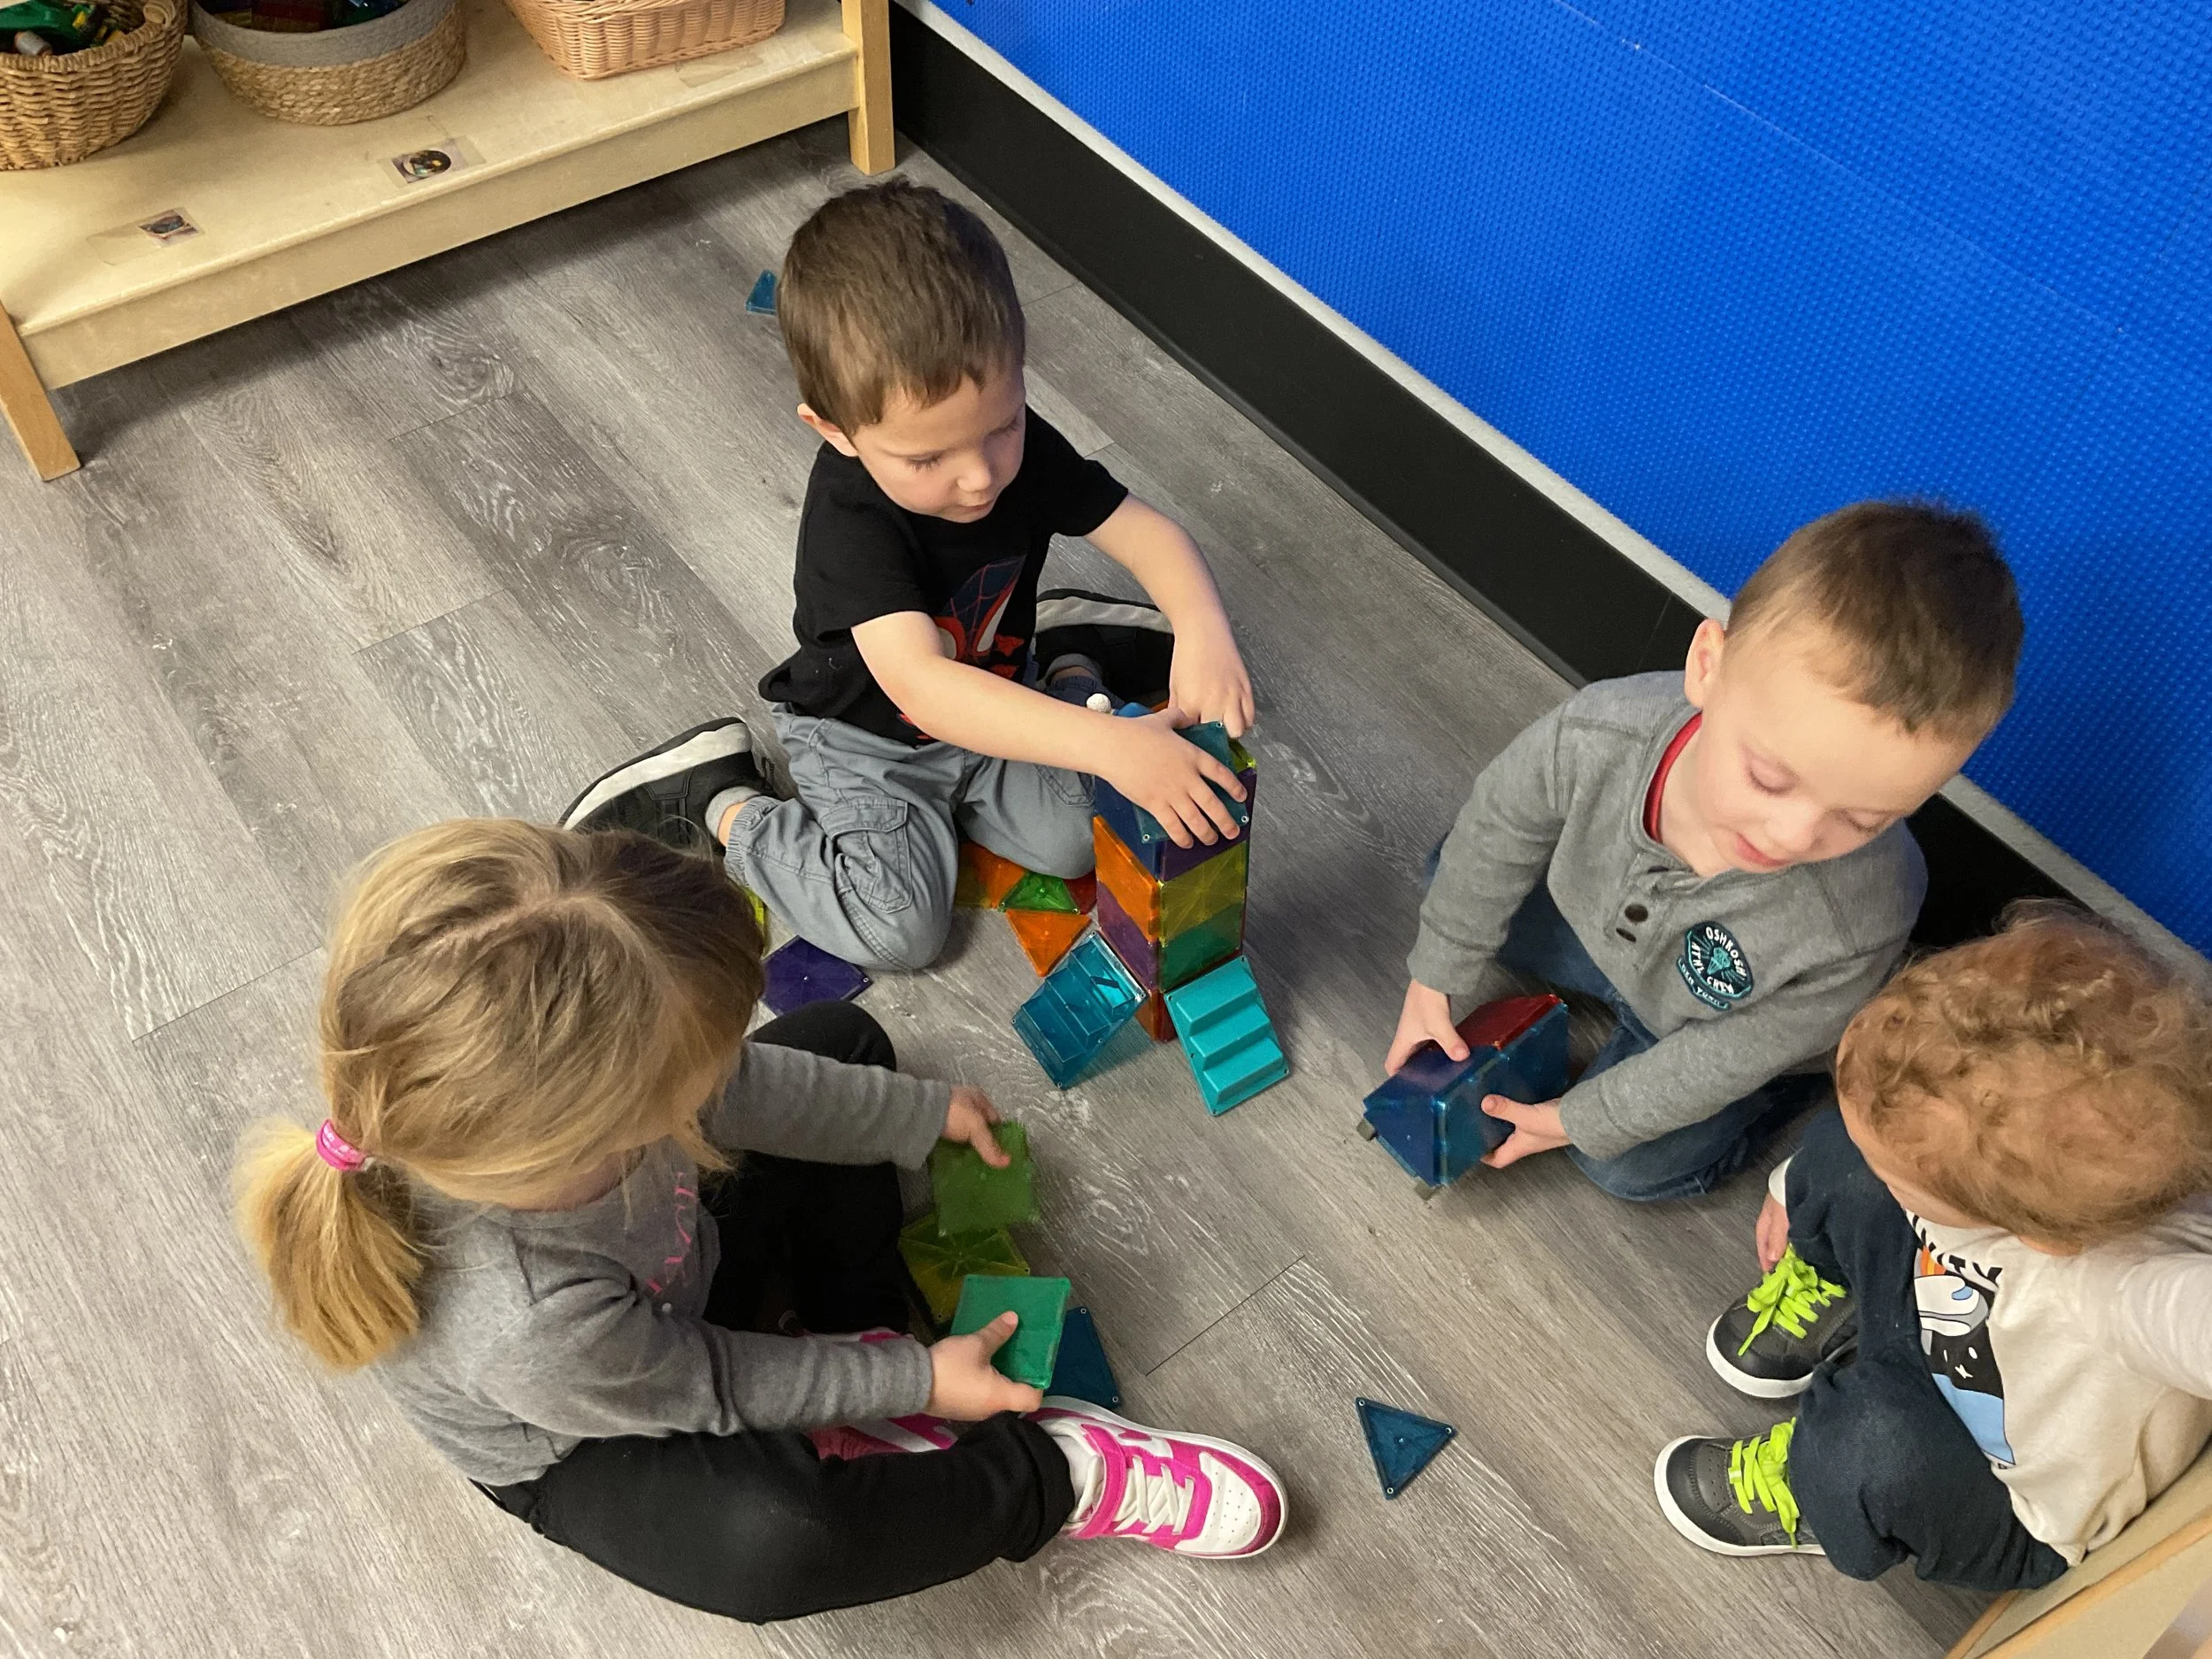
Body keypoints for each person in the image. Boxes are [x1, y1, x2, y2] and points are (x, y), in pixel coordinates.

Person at [234, 821, 1286, 1624]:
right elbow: (709, 1382)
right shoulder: (522, 1321)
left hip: (662, 1286)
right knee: (778, 1542)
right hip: (604, 1426)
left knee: (842, 1043)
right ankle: (1059, 1476)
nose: (723, 1069)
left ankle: (853, 1331)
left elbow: (750, 1087)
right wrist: (915, 1383)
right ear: (607, 1126)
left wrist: (915, 1118)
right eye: (695, 1077)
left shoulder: (559, 1098)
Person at [560, 180, 1256, 971]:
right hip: (868, 744)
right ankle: (722, 799)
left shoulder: (1008, 445)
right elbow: (924, 688)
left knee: (1079, 838)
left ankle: (1070, 662)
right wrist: (1111, 743)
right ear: (835, 430)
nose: (979, 476)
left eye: (1004, 425)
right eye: (927, 458)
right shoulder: (851, 520)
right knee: (900, 931)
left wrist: (1203, 627)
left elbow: (1146, 532)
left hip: (995, 692)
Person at [1391, 501, 2024, 1200]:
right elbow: (1500, 824)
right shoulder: (1599, 731)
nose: (1792, 837)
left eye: (1864, 819)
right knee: (1453, 877)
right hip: (1600, 932)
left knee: (1624, 1166)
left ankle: (1785, 1087)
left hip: (1727, 1027)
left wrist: (1578, 1118)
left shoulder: (1861, 912)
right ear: (1706, 667)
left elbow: (1728, 1055)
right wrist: (1434, 977)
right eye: (1769, 778)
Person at [1655, 907, 2212, 1589]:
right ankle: (1841, 1302)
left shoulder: (2121, 1292)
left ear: (2032, 1231)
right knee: (1840, 1154)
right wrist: (1793, 1183)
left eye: (1903, 1177)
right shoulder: (2038, 1160)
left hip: (2001, 1484)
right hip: (1942, 1322)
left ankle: (1817, 1494)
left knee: (1870, 1445)